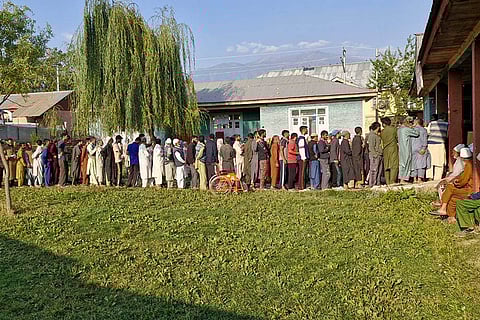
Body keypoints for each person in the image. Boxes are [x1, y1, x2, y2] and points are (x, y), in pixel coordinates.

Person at [431, 148, 473, 224]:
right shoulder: (469, 164)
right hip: (467, 187)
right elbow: (462, 177)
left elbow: (464, 180)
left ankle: (443, 208)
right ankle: (451, 216)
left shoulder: (469, 165)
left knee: (450, 188)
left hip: (469, 190)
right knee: (452, 198)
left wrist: (456, 183)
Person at [398, 117, 420, 183]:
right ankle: (404, 178)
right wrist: (413, 127)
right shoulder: (406, 129)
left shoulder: (399, 129)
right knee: (407, 163)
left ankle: (401, 178)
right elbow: (416, 133)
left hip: (401, 148)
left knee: (402, 164)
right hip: (406, 148)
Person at [427, 114, 448, 181]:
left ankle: (429, 176)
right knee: (440, 161)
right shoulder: (446, 124)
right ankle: (437, 178)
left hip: (430, 144)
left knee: (430, 161)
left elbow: (428, 132)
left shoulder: (431, 123)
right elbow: (447, 135)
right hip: (440, 144)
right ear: (444, 118)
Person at [380, 117, 399, 185]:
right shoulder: (394, 129)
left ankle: (387, 182)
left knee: (386, 166)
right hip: (393, 148)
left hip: (385, 149)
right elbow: (397, 138)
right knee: (394, 165)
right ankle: (392, 181)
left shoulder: (382, 132)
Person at [368, 122, 383, 187]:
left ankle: (377, 182)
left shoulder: (376, 135)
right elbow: (371, 147)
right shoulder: (372, 136)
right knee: (374, 170)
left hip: (379, 154)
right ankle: (372, 184)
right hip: (375, 156)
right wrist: (375, 155)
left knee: (379, 170)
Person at [297, 126, 309, 190]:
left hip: (303, 158)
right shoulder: (301, 139)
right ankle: (301, 187)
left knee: (303, 172)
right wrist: (303, 157)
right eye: (306, 129)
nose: (307, 130)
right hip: (302, 158)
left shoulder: (303, 138)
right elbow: (301, 149)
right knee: (302, 173)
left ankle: (303, 186)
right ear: (303, 130)